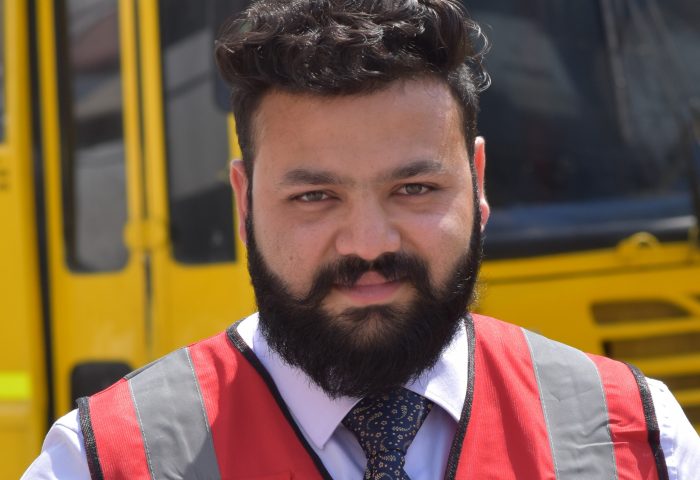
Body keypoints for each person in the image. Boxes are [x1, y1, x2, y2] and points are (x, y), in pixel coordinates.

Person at [23, 0, 699, 479]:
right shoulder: (99, 462)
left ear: (478, 182)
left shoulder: (642, 441)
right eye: (315, 197)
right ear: (244, 201)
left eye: (415, 189)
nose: (368, 244)